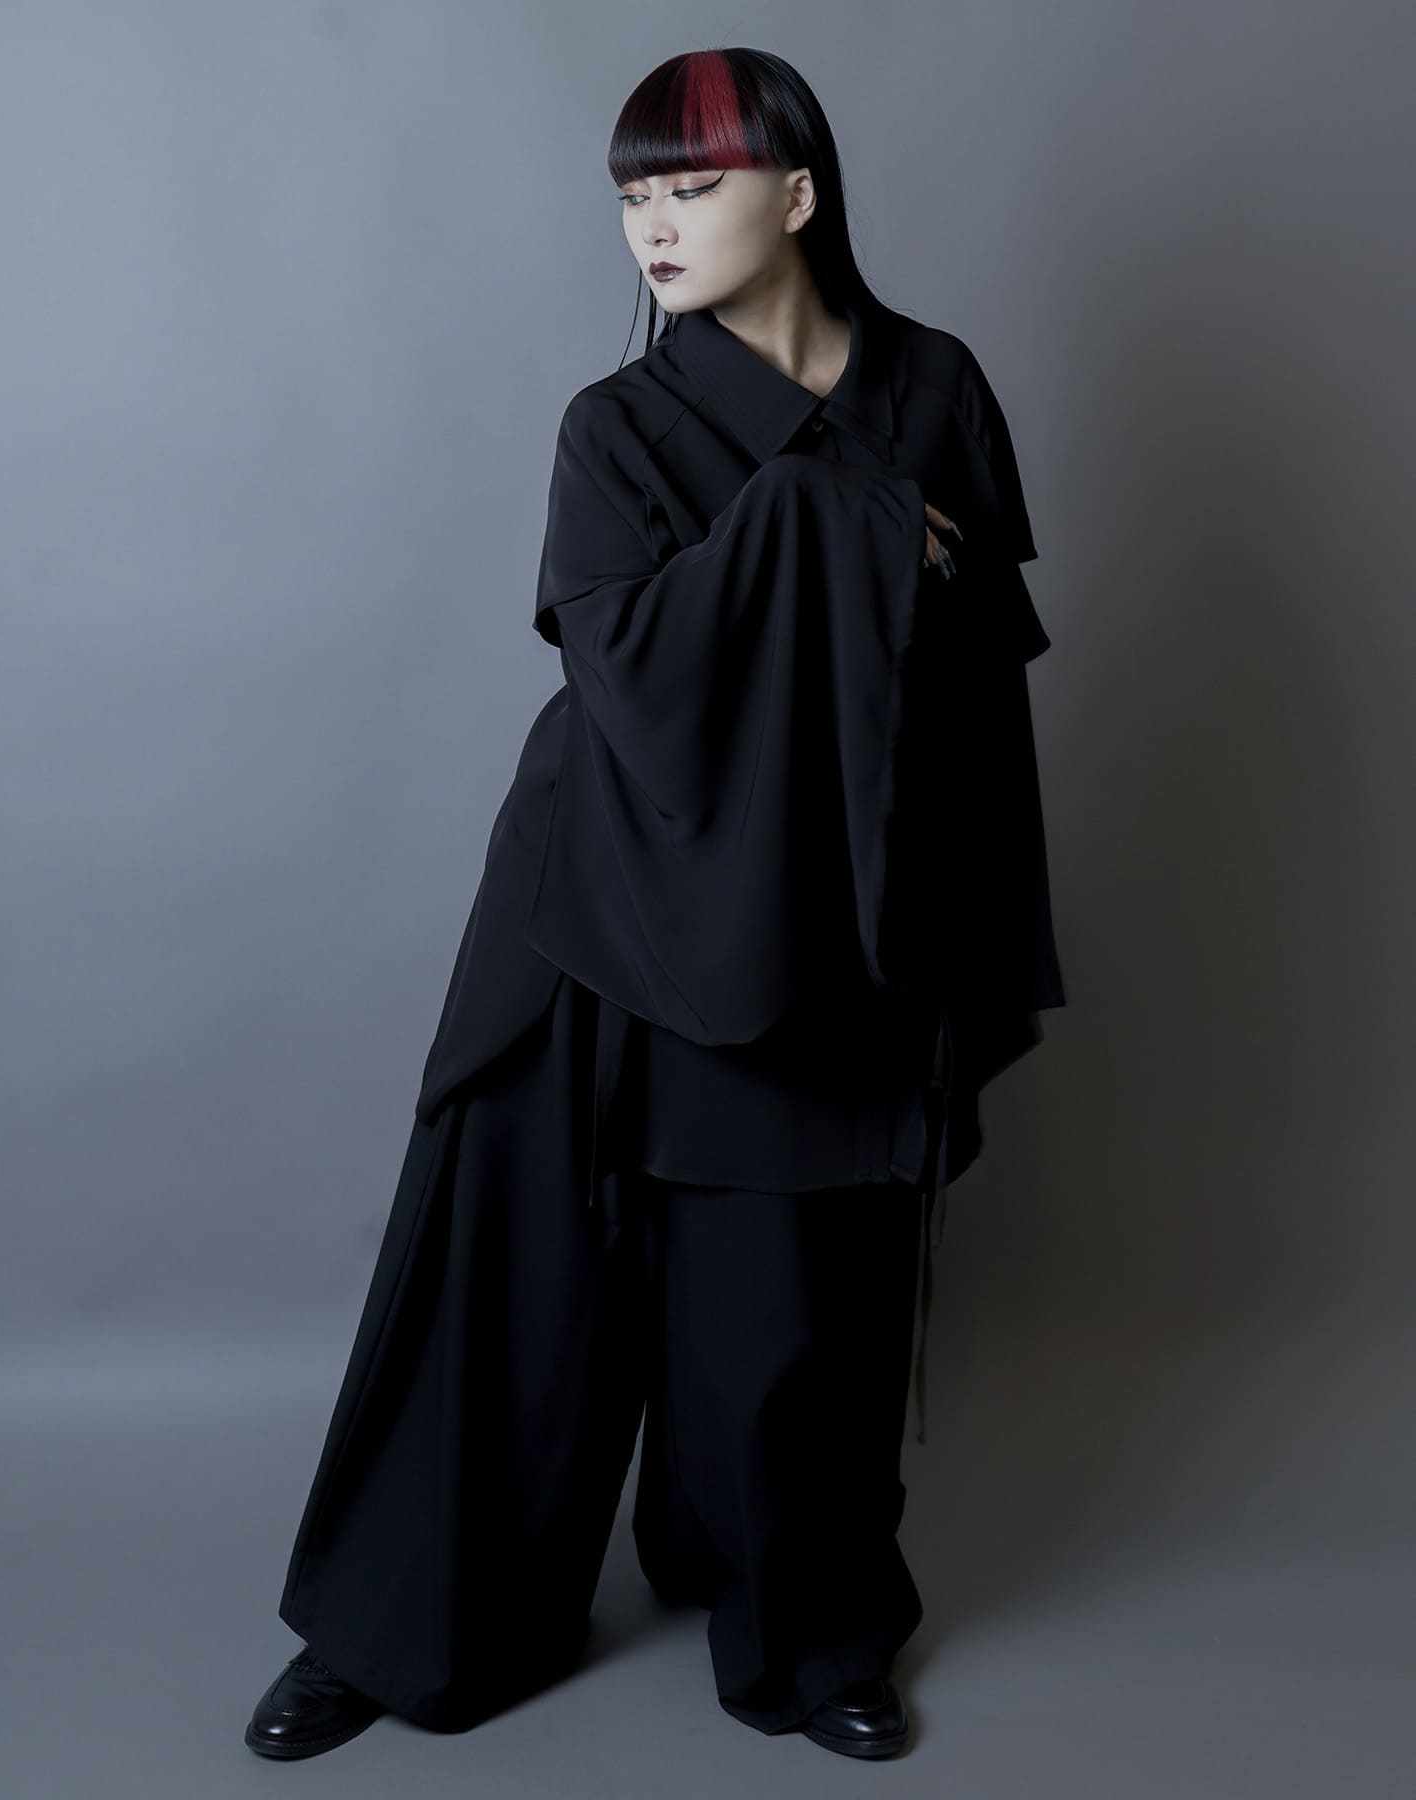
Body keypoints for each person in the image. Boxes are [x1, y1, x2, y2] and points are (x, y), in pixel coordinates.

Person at [244, 44, 1065, 1766]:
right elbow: (637, 677)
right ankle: (402, 1627)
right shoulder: (613, 427)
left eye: (693, 185)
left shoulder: (935, 387)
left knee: (791, 1303)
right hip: (599, 892)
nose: (655, 227)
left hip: (829, 914)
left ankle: (811, 1626)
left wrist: (954, 928)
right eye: (633, 194)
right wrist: (848, 522)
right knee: (507, 1277)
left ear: (800, 194)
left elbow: (977, 677)